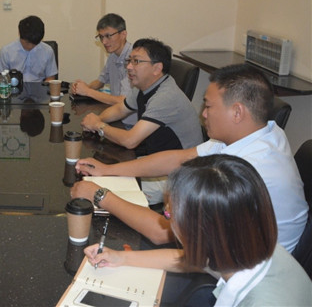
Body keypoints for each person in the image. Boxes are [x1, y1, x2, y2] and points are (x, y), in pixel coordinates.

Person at [73, 64, 308, 253]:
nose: (202, 114)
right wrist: (108, 170)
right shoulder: (261, 132)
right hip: (234, 251)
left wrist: (100, 195)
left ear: (237, 112)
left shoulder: (248, 170)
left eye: (209, 106)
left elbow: (163, 232)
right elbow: (179, 159)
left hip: (247, 278)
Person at [84, 155, 312, 306]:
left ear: (200, 231)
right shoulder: (241, 243)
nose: (167, 220)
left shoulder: (263, 302)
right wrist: (122, 258)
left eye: (169, 214)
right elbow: (195, 259)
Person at [80, 38, 202, 203]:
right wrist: (96, 119)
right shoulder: (145, 86)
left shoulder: (166, 96)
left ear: (157, 68)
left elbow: (130, 141)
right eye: (129, 61)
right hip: (155, 163)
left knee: (97, 190)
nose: (129, 67)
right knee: (95, 173)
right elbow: (120, 109)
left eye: (136, 61)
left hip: (177, 177)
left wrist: (98, 125)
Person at [71, 13, 136, 127]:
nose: (104, 42)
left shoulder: (134, 59)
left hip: (131, 124)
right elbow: (100, 81)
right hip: (116, 116)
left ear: (123, 34)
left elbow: (123, 101)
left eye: (108, 36)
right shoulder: (113, 55)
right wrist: (83, 87)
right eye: (101, 37)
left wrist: (87, 91)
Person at [0, 15, 57, 82]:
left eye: (35, 44)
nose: (31, 47)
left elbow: (50, 78)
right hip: (14, 87)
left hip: (39, 86)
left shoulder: (48, 51)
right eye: (27, 43)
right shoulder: (6, 52)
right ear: (19, 34)